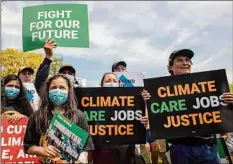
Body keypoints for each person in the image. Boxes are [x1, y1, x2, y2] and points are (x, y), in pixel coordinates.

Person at [144, 49, 233, 164]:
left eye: (187, 60)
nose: (185, 63)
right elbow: (156, 120)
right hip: (180, 149)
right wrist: (148, 102)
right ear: (171, 67)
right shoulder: (159, 91)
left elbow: (222, 115)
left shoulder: (207, 85)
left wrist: (230, 103)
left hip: (208, 147)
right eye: (179, 60)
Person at [23, 74, 94, 163]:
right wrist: (40, 150)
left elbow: (87, 147)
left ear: (69, 91)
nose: (57, 90)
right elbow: (28, 146)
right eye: (53, 88)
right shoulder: (37, 116)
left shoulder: (78, 116)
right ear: (48, 91)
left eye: (62, 87)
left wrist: (80, 160)